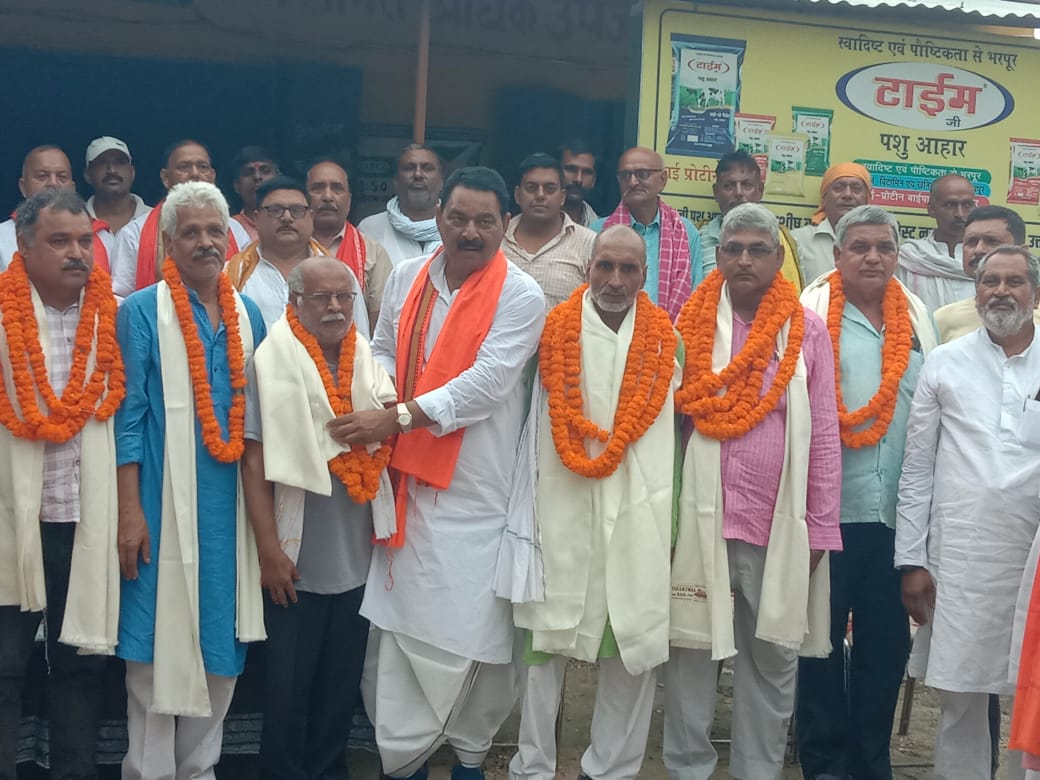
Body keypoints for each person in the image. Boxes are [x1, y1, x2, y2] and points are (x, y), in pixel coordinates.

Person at [347, 167, 544, 780]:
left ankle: (468, 758)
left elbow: (487, 383)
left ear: (505, 225)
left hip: (478, 492)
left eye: (485, 221)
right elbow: (380, 347)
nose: (470, 232)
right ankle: (403, 760)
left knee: (472, 635)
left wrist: (398, 417)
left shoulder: (521, 295)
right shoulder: (407, 277)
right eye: (458, 218)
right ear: (437, 218)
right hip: (402, 485)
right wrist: (381, 395)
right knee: (399, 635)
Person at [666, 202, 842, 779]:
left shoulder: (807, 330)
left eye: (758, 250)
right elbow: (669, 425)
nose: (744, 259)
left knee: (771, 660)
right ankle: (688, 769)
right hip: (700, 522)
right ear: (718, 256)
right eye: (733, 249)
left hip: (776, 525)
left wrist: (819, 531)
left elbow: (823, 435)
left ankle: (757, 772)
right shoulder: (688, 325)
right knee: (690, 652)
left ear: (776, 258)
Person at [507, 225, 680, 780]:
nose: (615, 280)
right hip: (560, 500)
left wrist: (672, 519)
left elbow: (675, 441)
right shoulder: (553, 333)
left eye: (628, 269)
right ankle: (533, 765)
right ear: (588, 269)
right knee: (545, 642)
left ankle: (611, 769)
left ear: (645, 276)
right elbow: (526, 423)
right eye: (605, 266)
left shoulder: (666, 341)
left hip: (638, 508)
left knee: (632, 641)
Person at [115, 181, 267, 780]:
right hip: (159, 501)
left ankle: (200, 770)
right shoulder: (141, 312)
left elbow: (260, 423)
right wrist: (130, 512)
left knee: (221, 647)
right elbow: (129, 419)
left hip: (230, 510)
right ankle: (148, 771)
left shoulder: (249, 314)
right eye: (191, 232)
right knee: (153, 647)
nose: (205, 242)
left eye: (215, 231)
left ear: (229, 239)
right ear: (169, 244)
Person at [242, 256, 397, 780]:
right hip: (296, 560)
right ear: (296, 303)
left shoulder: (366, 361)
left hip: (358, 558)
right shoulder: (269, 362)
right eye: (322, 297)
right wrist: (269, 550)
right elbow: (255, 461)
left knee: (339, 688)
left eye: (344, 297)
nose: (335, 307)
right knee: (287, 692)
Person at [798, 205, 937, 780]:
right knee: (819, 646)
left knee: (885, 650)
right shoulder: (809, 314)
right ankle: (824, 765)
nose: (872, 257)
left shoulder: (918, 318)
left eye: (884, 247)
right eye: (859, 247)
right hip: (827, 514)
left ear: (897, 254)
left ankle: (871, 762)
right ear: (837, 255)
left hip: (895, 518)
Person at [896, 245, 1040, 780]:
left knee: (1035, 696)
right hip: (960, 559)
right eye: (989, 281)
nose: (1000, 291)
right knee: (960, 697)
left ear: (1035, 293)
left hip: (1034, 562)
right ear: (975, 292)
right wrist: (912, 559)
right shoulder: (945, 362)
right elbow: (917, 469)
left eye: (1014, 281)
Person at [0, 189, 122, 780]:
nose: (77, 252)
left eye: (83, 240)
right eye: (59, 241)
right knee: (4, 665)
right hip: (9, 520)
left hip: (87, 515)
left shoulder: (116, 315)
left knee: (83, 661)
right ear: (23, 246)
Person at [225, 175, 370, 335]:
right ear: (257, 218)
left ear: (311, 217)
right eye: (275, 210)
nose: (287, 218)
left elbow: (360, 338)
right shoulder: (232, 274)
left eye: (297, 210)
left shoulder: (340, 275)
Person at [110, 139, 250, 298]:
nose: (195, 174)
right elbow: (120, 297)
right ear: (165, 177)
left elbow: (249, 287)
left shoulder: (235, 230)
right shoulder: (134, 233)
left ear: (212, 177)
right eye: (184, 167)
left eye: (203, 167)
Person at [591, 146, 703, 322]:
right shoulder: (598, 231)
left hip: (672, 332)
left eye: (642, 174)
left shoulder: (685, 231)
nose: (633, 182)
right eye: (625, 175)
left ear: (663, 179)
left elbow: (697, 294)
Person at [306, 159, 393, 326]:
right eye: (318, 188)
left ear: (349, 199)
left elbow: (380, 324)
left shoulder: (372, 252)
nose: (327, 196)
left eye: (337, 188)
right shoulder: (290, 247)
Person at [502, 152, 595, 308]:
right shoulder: (497, 238)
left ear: (562, 197)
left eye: (549, 189)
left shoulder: (588, 243)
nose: (540, 195)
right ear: (517, 195)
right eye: (531, 188)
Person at [933, 206, 1038, 342]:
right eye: (971, 242)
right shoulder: (943, 319)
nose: (978, 250)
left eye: (992, 241)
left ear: (1022, 251)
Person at [699, 150, 801, 286]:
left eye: (747, 185)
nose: (738, 193)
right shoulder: (698, 237)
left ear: (760, 190)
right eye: (729, 186)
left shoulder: (782, 238)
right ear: (716, 192)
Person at [896, 174, 976, 313]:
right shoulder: (909, 256)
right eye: (950, 205)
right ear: (932, 209)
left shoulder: (984, 259)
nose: (959, 214)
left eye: (967, 205)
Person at [357, 144, 444, 265]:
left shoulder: (456, 227)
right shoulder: (370, 229)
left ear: (441, 181)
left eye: (427, 168)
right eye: (408, 168)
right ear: (395, 181)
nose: (418, 175)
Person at [791, 163, 872, 287]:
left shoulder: (880, 243)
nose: (847, 195)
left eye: (856, 188)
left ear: (867, 198)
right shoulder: (798, 240)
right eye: (839, 188)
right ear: (824, 197)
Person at [0, 145, 77, 269]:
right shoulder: (2, 237)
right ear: (23, 187)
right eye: (42, 176)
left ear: (72, 189)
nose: (53, 183)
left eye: (62, 177)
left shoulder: (97, 236)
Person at [83, 136, 151, 252]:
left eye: (120, 162)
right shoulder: (74, 222)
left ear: (132, 172)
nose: (112, 170)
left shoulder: (156, 219)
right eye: (101, 163)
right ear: (88, 175)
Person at [229, 145, 280, 243]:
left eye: (265, 171)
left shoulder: (292, 222)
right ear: (237, 186)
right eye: (248, 172)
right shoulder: (228, 228)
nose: (257, 177)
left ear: (278, 180)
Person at [558, 137, 599, 227]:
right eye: (571, 169)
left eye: (586, 172)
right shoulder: (532, 225)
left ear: (594, 180)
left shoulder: (603, 230)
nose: (578, 179)